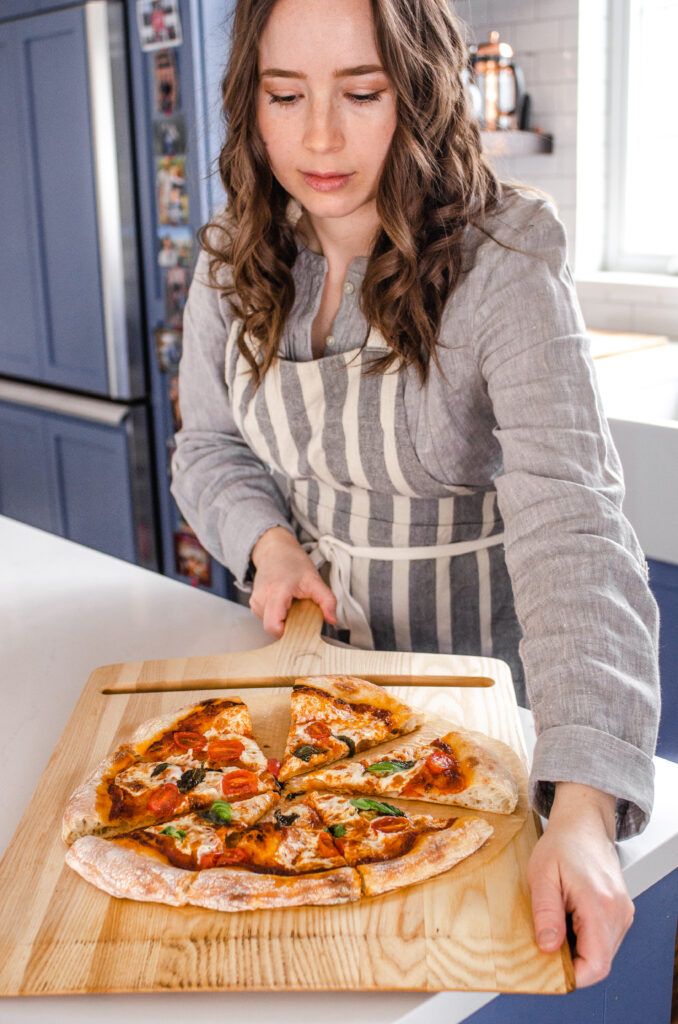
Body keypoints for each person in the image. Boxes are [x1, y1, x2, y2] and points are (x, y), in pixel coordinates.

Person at [171, 0, 660, 989]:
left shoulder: (505, 261)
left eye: (361, 92)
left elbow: (574, 522)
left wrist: (582, 811)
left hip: (487, 743)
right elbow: (210, 449)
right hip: (306, 705)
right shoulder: (232, 258)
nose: (320, 137)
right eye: (284, 95)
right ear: (247, 106)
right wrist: (268, 545)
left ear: (422, 90)